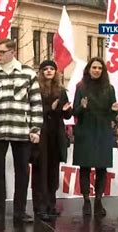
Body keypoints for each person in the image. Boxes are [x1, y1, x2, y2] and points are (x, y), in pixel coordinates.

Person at [0, 38, 43, 223]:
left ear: (13, 52)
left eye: (2, 52)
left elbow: (36, 104)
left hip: (22, 131)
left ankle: (20, 211)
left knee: (22, 173)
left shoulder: (28, 73)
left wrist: (35, 129)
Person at [72, 57, 118, 216]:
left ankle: (98, 201)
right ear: (89, 69)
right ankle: (86, 201)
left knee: (102, 168)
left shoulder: (109, 88)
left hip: (102, 130)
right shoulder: (80, 87)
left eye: (100, 68)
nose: (97, 70)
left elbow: (111, 114)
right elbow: (75, 112)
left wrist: (114, 110)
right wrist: (82, 107)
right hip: (85, 130)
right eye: (94, 67)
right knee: (84, 167)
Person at [31, 60, 72, 221]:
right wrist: (51, 109)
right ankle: (39, 206)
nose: (49, 71)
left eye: (52, 69)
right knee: (40, 169)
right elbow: (34, 111)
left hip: (56, 134)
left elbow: (66, 115)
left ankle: (51, 205)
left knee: (53, 170)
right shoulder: (35, 89)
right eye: (45, 69)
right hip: (41, 132)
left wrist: (66, 110)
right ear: (41, 72)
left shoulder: (61, 90)